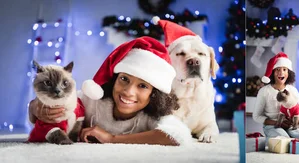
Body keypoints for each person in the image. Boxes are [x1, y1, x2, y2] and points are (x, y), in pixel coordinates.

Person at [29, 37, 193, 146]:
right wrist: (34, 106)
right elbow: (61, 101)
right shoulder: (92, 100)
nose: (128, 92)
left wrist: (112, 138)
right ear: (114, 79)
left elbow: (179, 137)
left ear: (154, 94)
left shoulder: (152, 115)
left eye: (142, 86)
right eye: (124, 79)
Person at [253, 52, 299, 139]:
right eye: (278, 69)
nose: (281, 73)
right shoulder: (264, 91)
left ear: (288, 73)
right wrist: (276, 123)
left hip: (290, 125)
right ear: (272, 72)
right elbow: (256, 116)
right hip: (273, 125)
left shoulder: (293, 90)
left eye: (284, 69)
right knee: (283, 139)